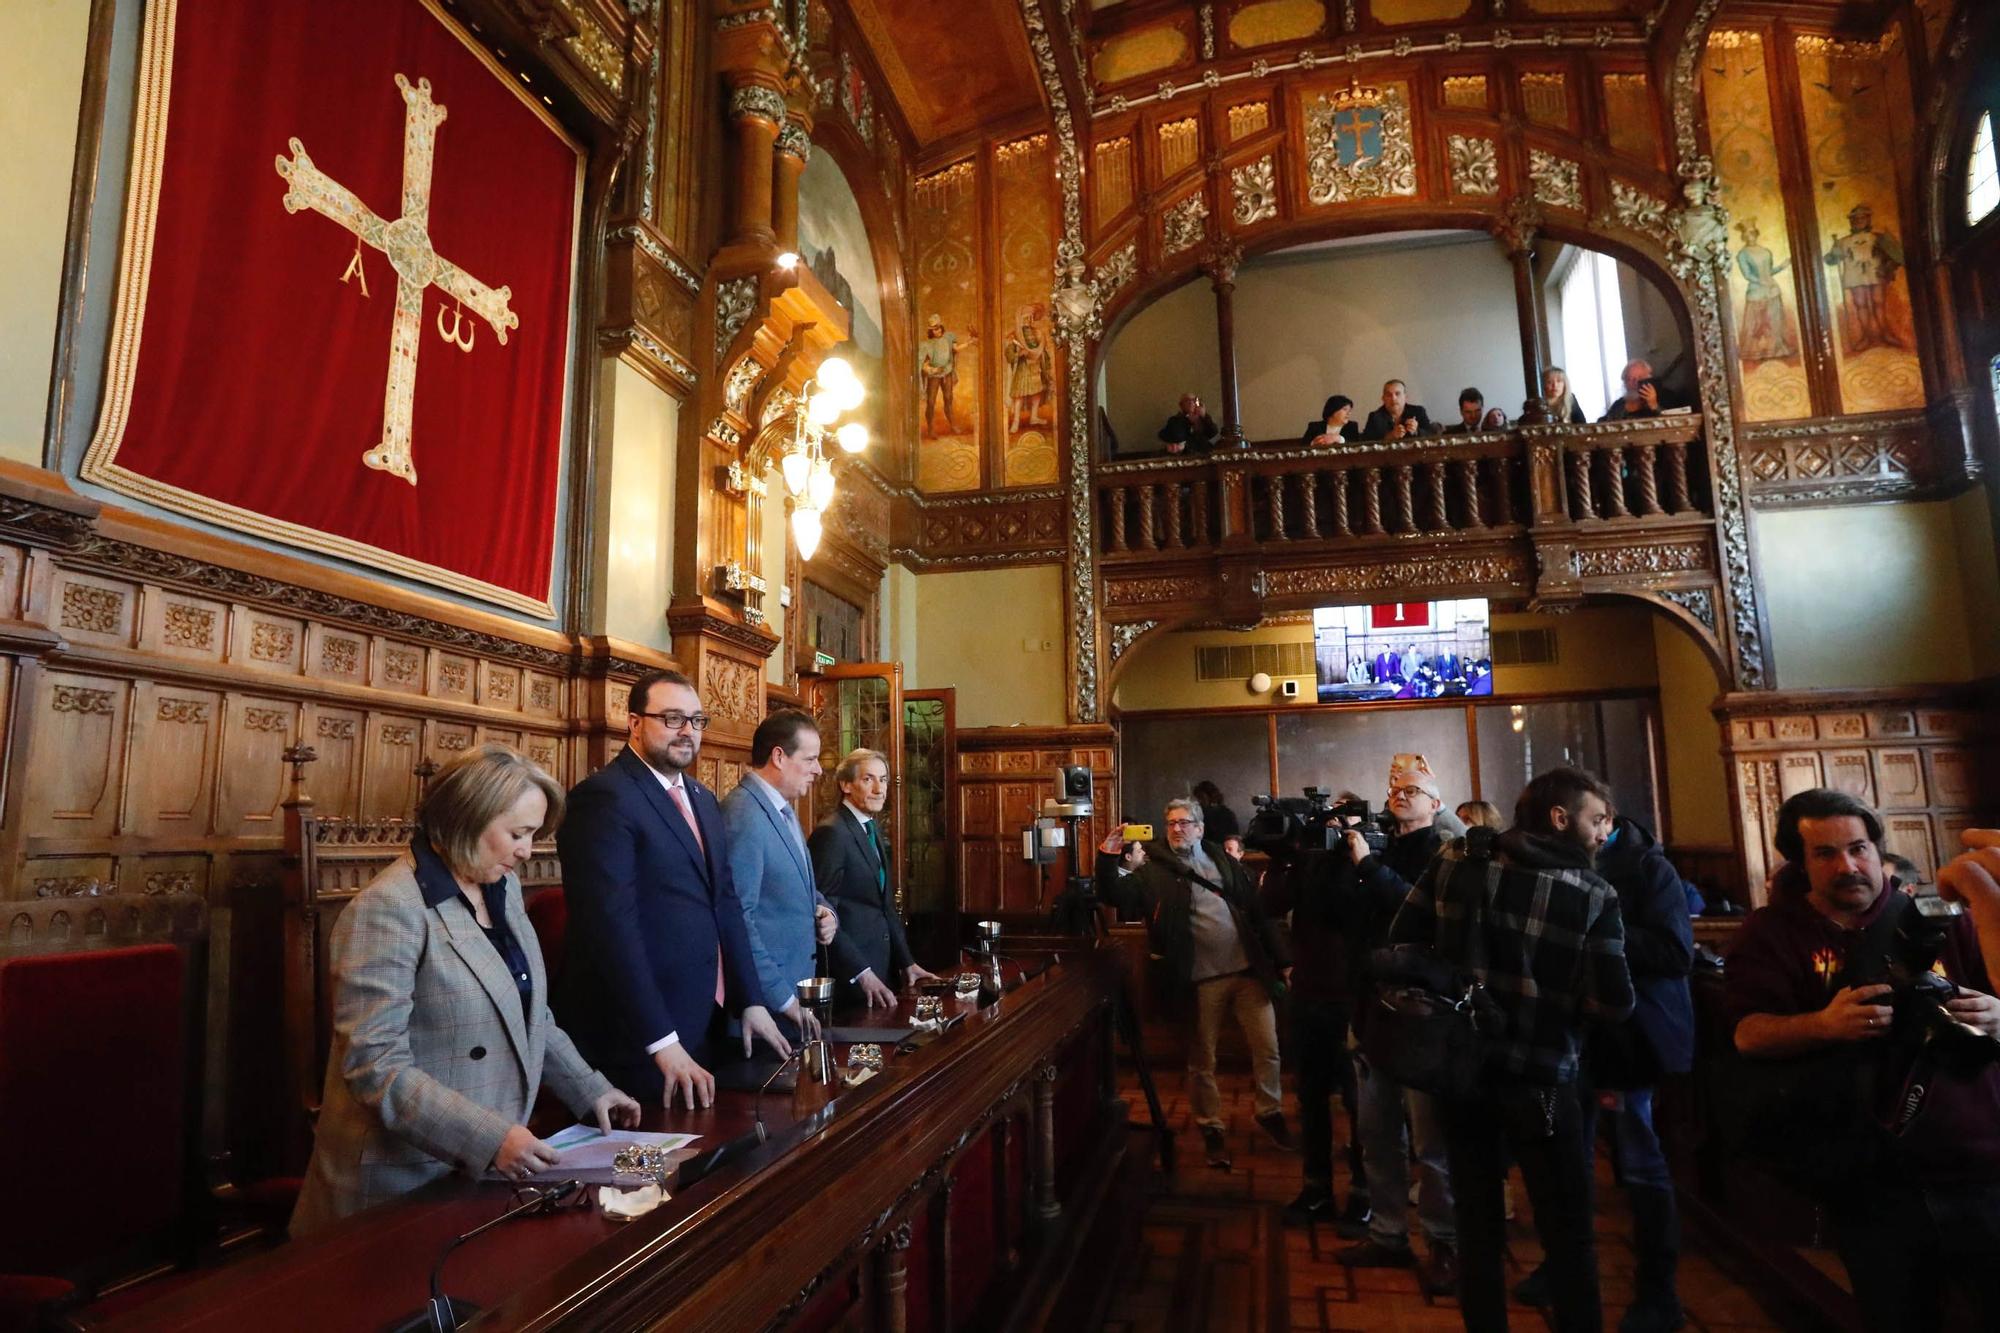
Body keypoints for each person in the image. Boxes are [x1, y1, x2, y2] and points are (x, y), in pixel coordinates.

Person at [292, 745, 641, 1237]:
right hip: (402, 1185)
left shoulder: (500, 889)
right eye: (517, 834)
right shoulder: (390, 909)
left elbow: (528, 1014)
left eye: (533, 835)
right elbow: (375, 1066)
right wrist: (490, 1137)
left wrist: (590, 1089)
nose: (527, 851)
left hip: (481, 1171)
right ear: (465, 819)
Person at [1726, 790, 2000, 1333]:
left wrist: (1997, 1012)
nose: (1848, 865)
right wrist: (1822, 1025)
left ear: (1878, 849)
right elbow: (1746, 1035)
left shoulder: (1943, 917)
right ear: (1799, 864)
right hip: (1871, 1175)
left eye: (1859, 848)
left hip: (1977, 1159)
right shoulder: (1772, 932)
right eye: (1826, 853)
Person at [1390, 766, 1633, 1333]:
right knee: (1567, 1231)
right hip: (1544, 1080)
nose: (1603, 834)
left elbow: (1403, 942)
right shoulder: (1592, 892)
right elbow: (1614, 1005)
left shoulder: (1455, 859)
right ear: (1560, 818)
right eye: (1597, 820)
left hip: (1463, 1072)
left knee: (1477, 1226)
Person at [555, 670, 791, 1112]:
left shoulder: (701, 797)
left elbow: (725, 901)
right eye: (672, 718)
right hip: (637, 1032)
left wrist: (749, 999)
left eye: (696, 721)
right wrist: (660, 1039)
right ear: (634, 723)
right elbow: (610, 928)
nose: (687, 732)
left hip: (704, 1018)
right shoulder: (604, 798)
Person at [1517, 813, 1694, 1332]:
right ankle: (1564, 1267)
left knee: (1640, 1164)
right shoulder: (1559, 866)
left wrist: (1592, 921)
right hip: (1570, 1037)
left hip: (1630, 1037)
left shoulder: (1648, 869)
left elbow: (1674, 951)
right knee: (1565, 1160)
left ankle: (1659, 1293)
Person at [1097, 799, 1292, 1168]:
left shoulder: (1222, 861)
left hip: (1248, 972)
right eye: (1171, 823)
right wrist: (1108, 855)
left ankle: (1269, 1112)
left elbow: (1256, 912)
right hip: (1200, 981)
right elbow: (1114, 895)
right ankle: (1211, 1125)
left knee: (1268, 1049)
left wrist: (1283, 961)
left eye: (1185, 822)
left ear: (1200, 829)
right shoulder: (1153, 871)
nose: (1177, 828)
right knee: (1202, 1060)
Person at [1335, 755, 1457, 1297]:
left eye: (1413, 790)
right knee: (1376, 1131)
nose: (1400, 795)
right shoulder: (1375, 846)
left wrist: (1367, 866)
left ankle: (1445, 1242)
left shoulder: (1446, 855)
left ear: (1435, 802)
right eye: (1394, 789)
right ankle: (1387, 1233)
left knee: (1431, 1142)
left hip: (1424, 1015)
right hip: (1371, 1006)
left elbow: (1419, 914)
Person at [1262, 791, 1371, 1229]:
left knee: (1358, 1101)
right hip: (1308, 993)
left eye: (1337, 818)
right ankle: (1316, 1188)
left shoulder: (1362, 859)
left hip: (1352, 995)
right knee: (1310, 1097)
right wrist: (1289, 856)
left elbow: (1353, 910)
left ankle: (1364, 1193)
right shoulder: (1302, 859)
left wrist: (1347, 856)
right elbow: (1269, 906)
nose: (1327, 826)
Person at [721, 710, 842, 1044]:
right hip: (767, 1009)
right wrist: (784, 999)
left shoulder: (782, 810)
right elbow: (737, 918)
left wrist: (826, 912)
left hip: (794, 1000)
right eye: (810, 759)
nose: (818, 769)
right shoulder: (744, 814)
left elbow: (803, 890)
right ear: (778, 756)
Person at [811, 748, 938, 1007]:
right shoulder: (832, 833)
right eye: (868, 779)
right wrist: (860, 973)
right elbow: (823, 913)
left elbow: (884, 906)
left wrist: (907, 963)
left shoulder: (870, 827)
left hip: (881, 970)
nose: (880, 789)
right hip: (851, 977)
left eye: (884, 780)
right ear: (846, 785)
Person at [1823, 205, 1907, 355]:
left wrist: (1888, 264)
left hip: (1875, 272)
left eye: (1862, 218)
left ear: (1868, 219)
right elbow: (1830, 260)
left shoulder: (1878, 237)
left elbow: (1897, 255)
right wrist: (1834, 252)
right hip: (1854, 275)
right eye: (1856, 219)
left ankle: (1885, 334)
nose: (1859, 221)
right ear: (1851, 221)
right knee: (1861, 305)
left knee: (1878, 303)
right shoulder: (1843, 242)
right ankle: (1867, 336)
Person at [1734, 220, 1798, 363]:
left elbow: (1769, 271)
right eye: (1747, 234)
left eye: (1752, 233)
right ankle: (1756, 351)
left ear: (1756, 234)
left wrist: (1782, 266)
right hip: (1756, 292)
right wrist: (1761, 281)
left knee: (1774, 320)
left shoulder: (1765, 251)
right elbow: (1747, 275)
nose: (1750, 237)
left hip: (1772, 289)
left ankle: (1776, 348)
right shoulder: (1743, 254)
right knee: (1757, 322)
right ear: (1744, 237)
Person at [1602, 359, 1676, 421]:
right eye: (1629, 379)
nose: (1635, 383)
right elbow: (1603, 424)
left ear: (1649, 379)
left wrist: (1654, 406)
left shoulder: (1667, 396)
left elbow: (1675, 422)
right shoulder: (1619, 404)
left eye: (1640, 378)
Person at [1361, 380, 1433, 440]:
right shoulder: (1375, 417)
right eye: (1389, 395)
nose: (1393, 398)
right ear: (1383, 399)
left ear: (1405, 397)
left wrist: (1416, 431)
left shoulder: (1418, 411)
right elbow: (1366, 442)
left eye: (1397, 394)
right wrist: (1389, 436)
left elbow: (1432, 436)